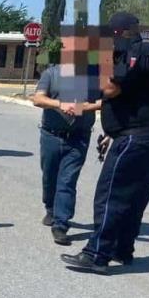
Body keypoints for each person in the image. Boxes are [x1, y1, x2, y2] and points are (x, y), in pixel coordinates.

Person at [61, 12, 149, 274]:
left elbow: (110, 89)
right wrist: (112, 129)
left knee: (111, 196)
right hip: (145, 135)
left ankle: (97, 253)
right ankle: (122, 248)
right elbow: (129, 99)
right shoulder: (136, 52)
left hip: (137, 137)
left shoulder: (136, 52)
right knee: (133, 197)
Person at [33, 54, 101, 246]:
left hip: (78, 139)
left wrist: (86, 107)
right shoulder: (51, 74)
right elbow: (38, 99)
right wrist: (60, 104)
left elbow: (105, 101)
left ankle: (61, 224)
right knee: (49, 176)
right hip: (51, 136)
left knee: (67, 181)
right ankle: (50, 208)